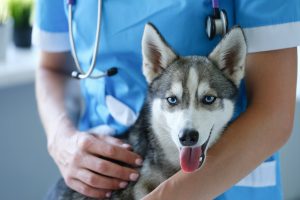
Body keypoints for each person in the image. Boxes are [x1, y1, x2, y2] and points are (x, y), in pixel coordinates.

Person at [33, 0, 300, 199]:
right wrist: (61, 137)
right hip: (98, 178)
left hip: (226, 177)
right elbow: (52, 67)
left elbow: (273, 114)